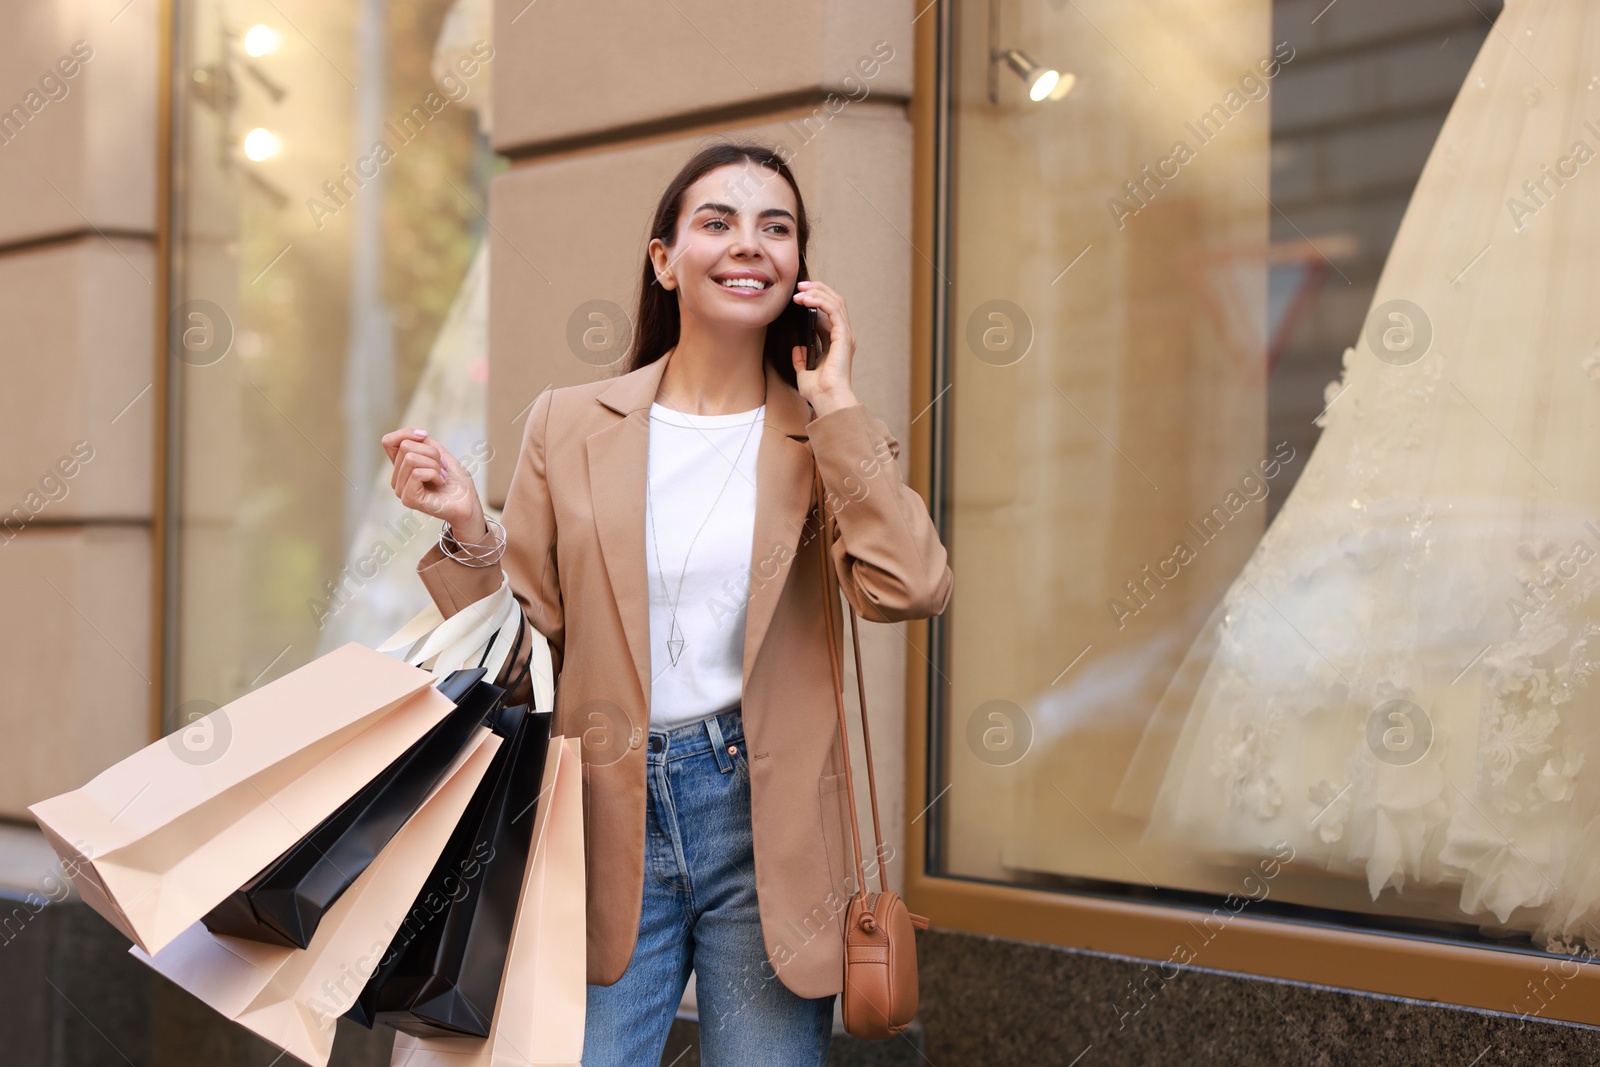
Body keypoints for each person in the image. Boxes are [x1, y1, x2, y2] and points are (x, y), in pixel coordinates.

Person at [382, 141, 952, 1066]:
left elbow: (910, 586)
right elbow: (525, 643)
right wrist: (465, 527)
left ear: (801, 269)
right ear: (664, 259)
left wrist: (836, 396)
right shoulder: (569, 423)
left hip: (765, 821)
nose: (750, 245)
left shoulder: (828, 435)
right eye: (718, 223)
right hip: (605, 803)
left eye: (777, 228)